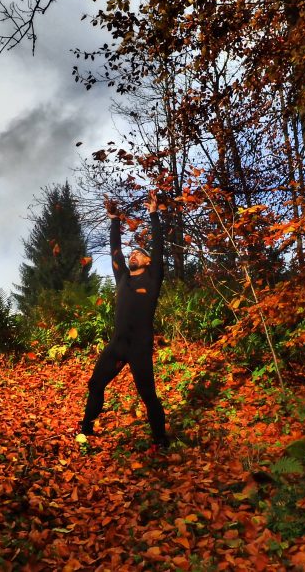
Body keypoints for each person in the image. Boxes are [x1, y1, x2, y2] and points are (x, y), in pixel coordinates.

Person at [80, 191, 168, 449]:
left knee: (148, 396)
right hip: (118, 344)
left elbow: (159, 247)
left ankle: (161, 441)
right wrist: (115, 220)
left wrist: (153, 215)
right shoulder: (123, 279)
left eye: (139, 253)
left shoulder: (153, 279)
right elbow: (115, 251)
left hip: (139, 347)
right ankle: (87, 427)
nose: (133, 255)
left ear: (148, 261)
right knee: (95, 384)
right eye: (133, 254)